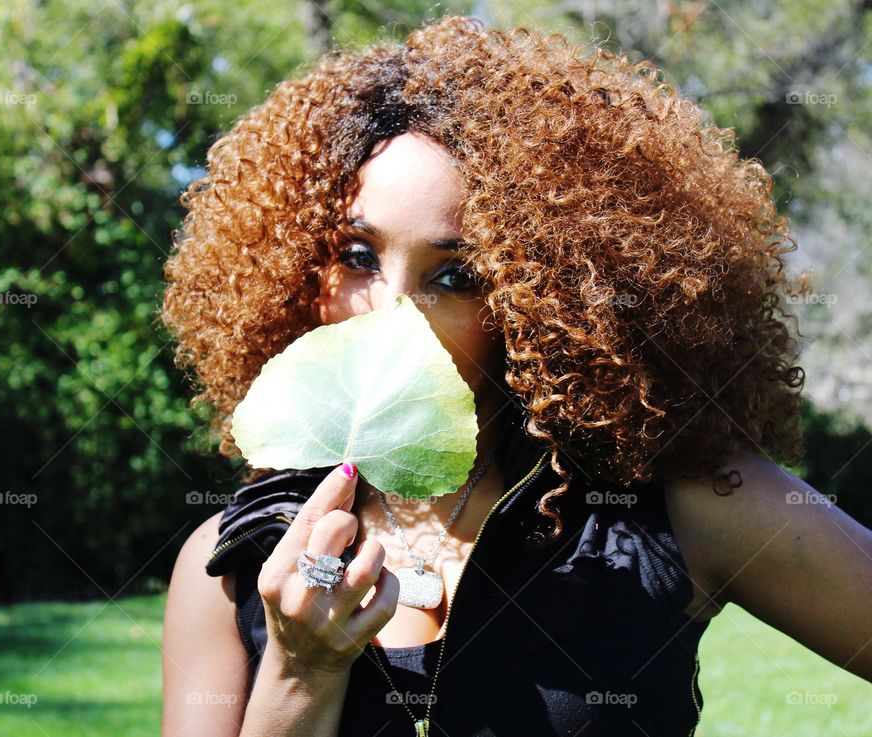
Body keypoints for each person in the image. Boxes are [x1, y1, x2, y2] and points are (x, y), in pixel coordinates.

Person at [157, 14, 872, 737]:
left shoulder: (674, 510)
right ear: (298, 273)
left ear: (540, 300)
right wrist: (301, 669)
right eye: (358, 256)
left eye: (455, 275)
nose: (393, 310)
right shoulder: (228, 566)